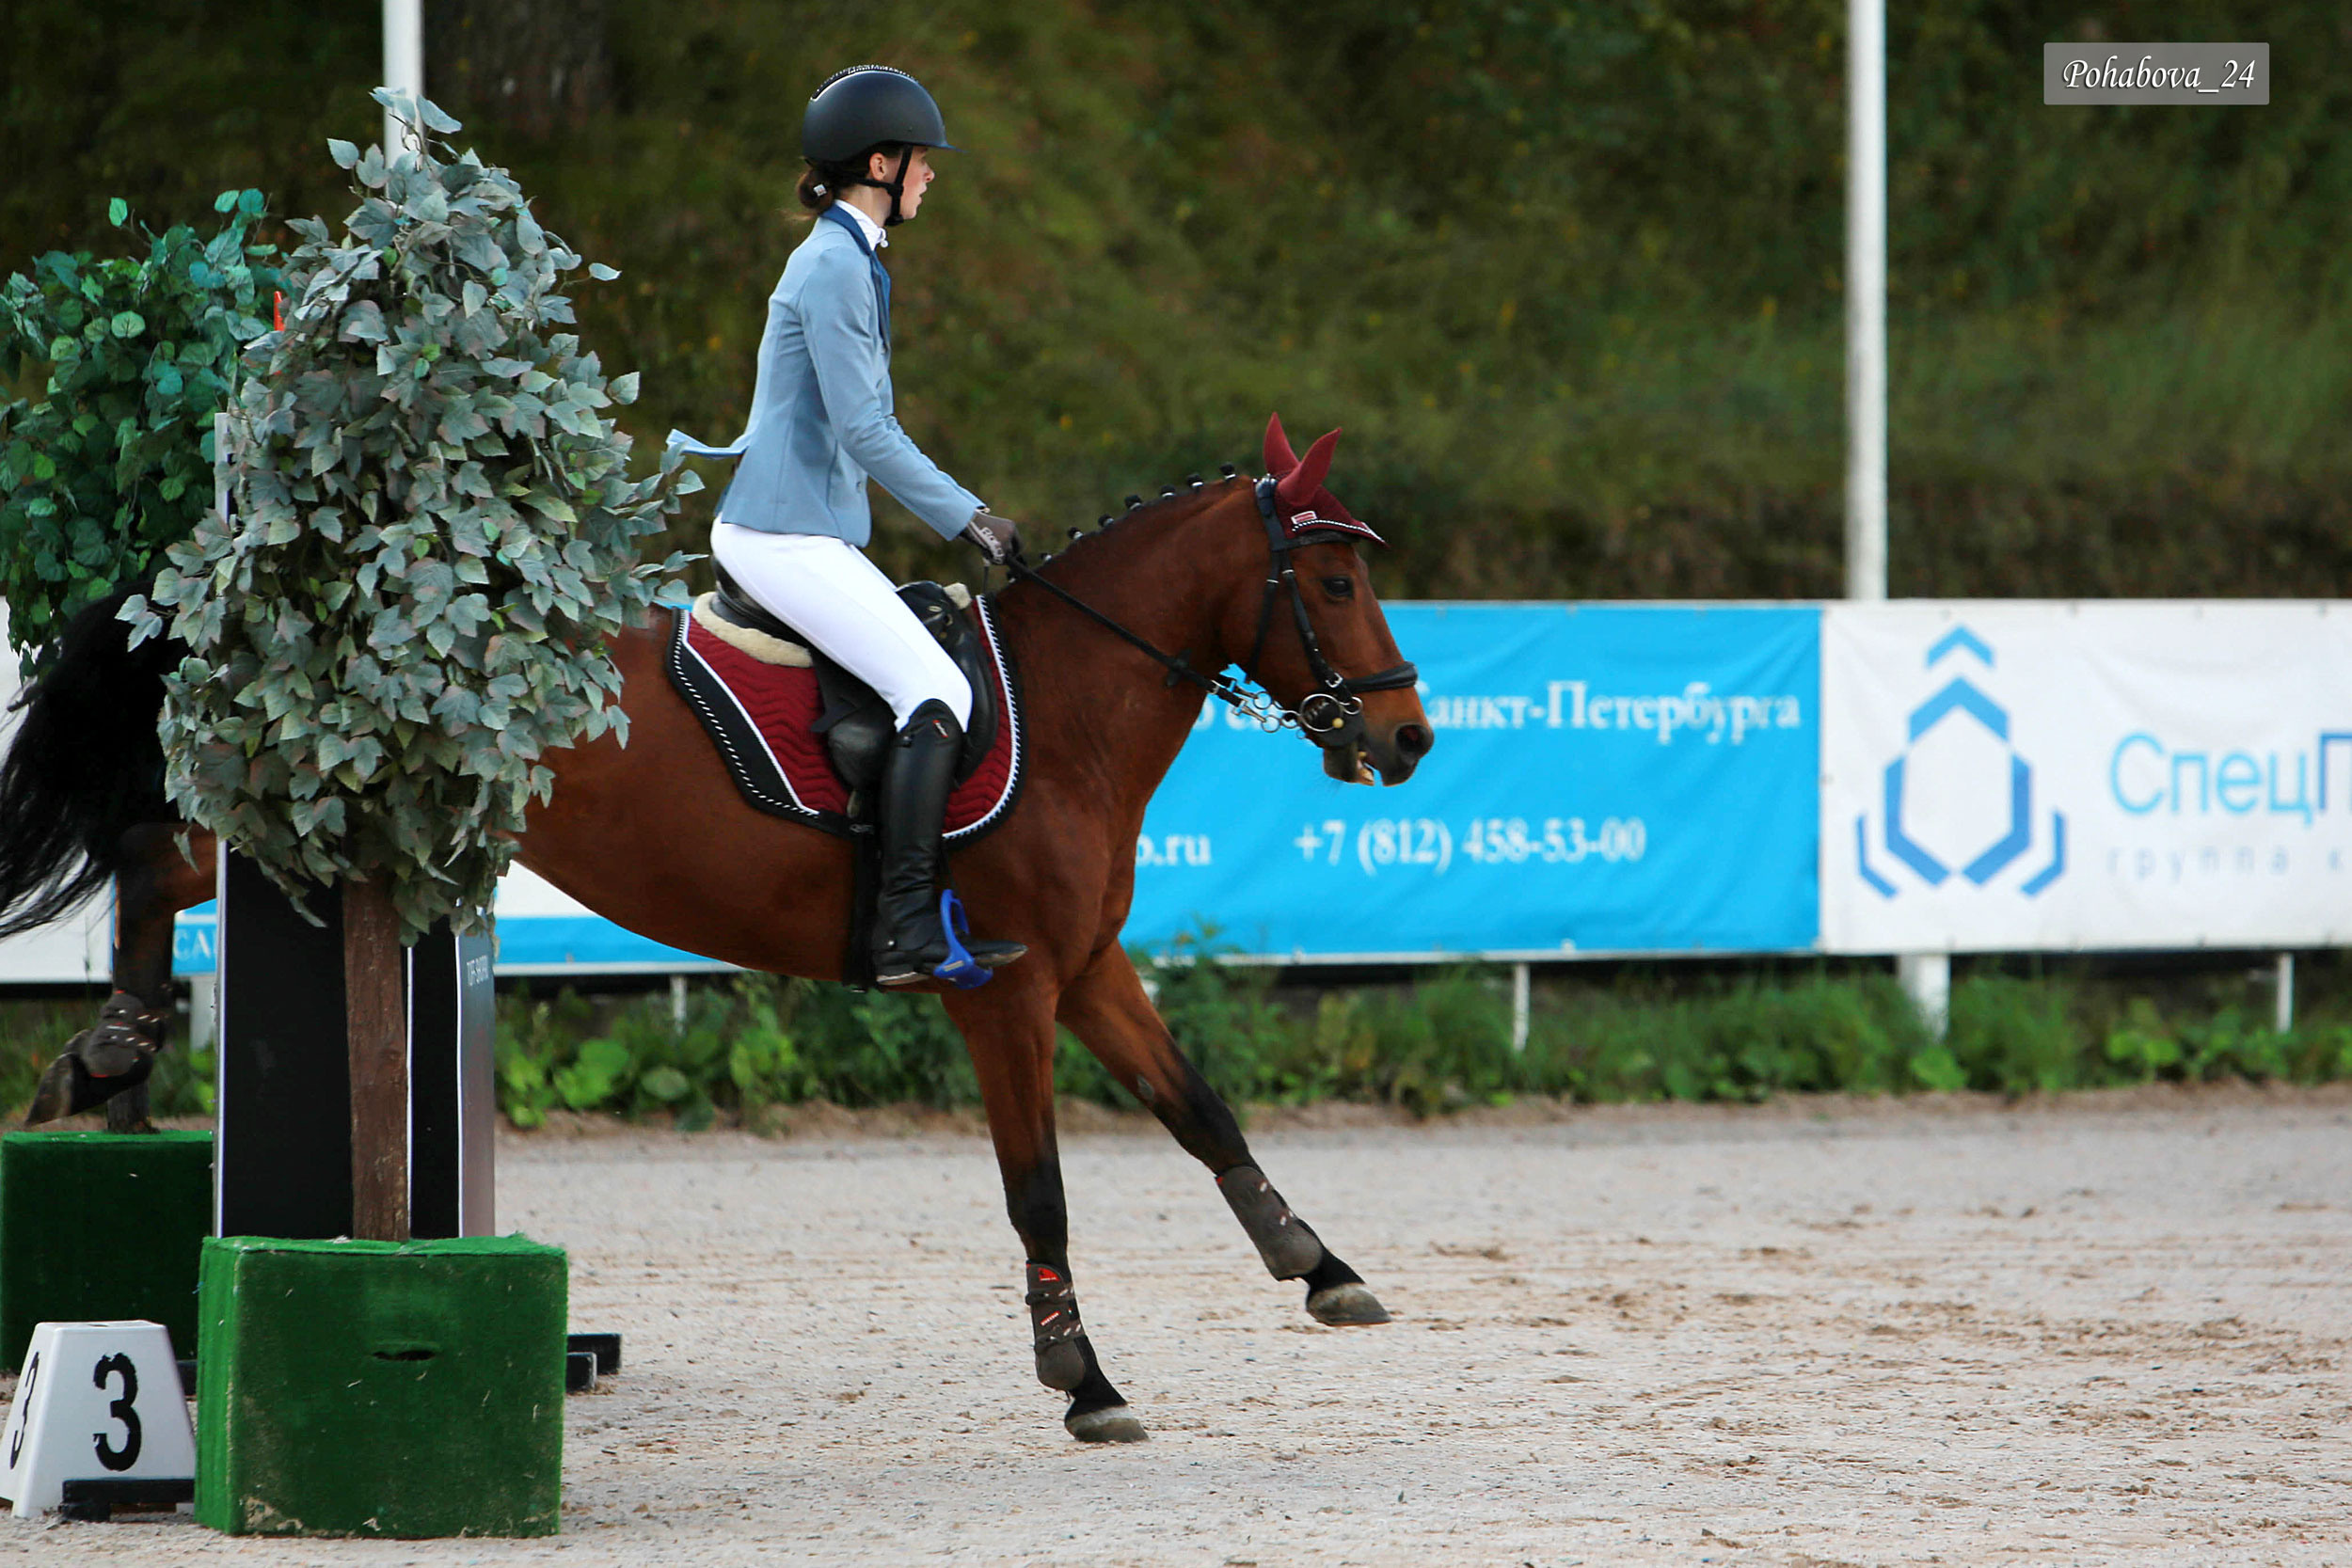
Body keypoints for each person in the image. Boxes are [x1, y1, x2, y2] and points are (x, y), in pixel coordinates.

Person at [669, 65, 1024, 988]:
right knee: (934, 691)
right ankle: (903, 923)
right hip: (781, 534)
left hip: (808, 528)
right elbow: (866, 427)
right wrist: (967, 516)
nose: (931, 176)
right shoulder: (832, 264)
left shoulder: (851, 256)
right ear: (880, 162)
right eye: (921, 161)